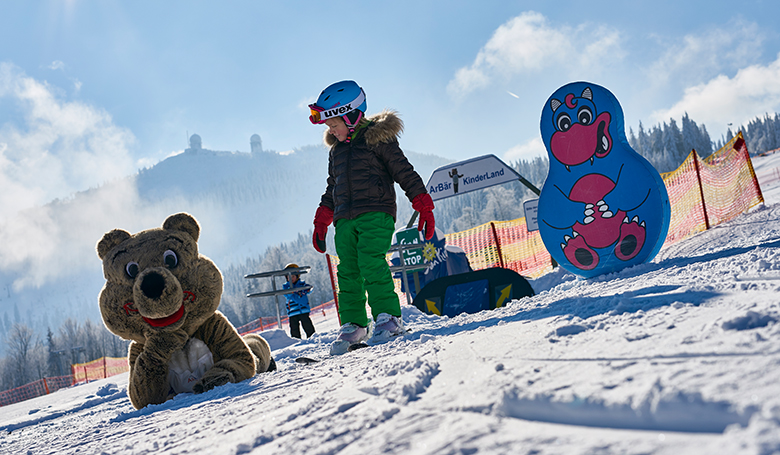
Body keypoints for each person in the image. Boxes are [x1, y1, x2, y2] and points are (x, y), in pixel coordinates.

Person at [308, 80, 436, 355]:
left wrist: (422, 203)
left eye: (334, 124)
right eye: (329, 127)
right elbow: (333, 186)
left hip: (376, 212)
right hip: (344, 218)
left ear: (351, 115)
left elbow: (404, 172)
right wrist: (323, 218)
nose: (331, 131)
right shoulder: (337, 151)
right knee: (348, 270)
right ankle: (354, 324)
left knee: (370, 262)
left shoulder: (378, 140)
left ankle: (389, 317)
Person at [282, 263, 316, 339]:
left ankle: (312, 337)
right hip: (293, 311)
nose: (291, 279)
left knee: (307, 325)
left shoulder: (301, 284)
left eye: (293, 276)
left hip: (303, 309)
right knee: (294, 328)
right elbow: (287, 295)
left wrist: (307, 289)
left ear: (297, 276)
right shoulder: (286, 286)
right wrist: (293, 292)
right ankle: (296, 340)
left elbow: (309, 289)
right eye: (288, 277)